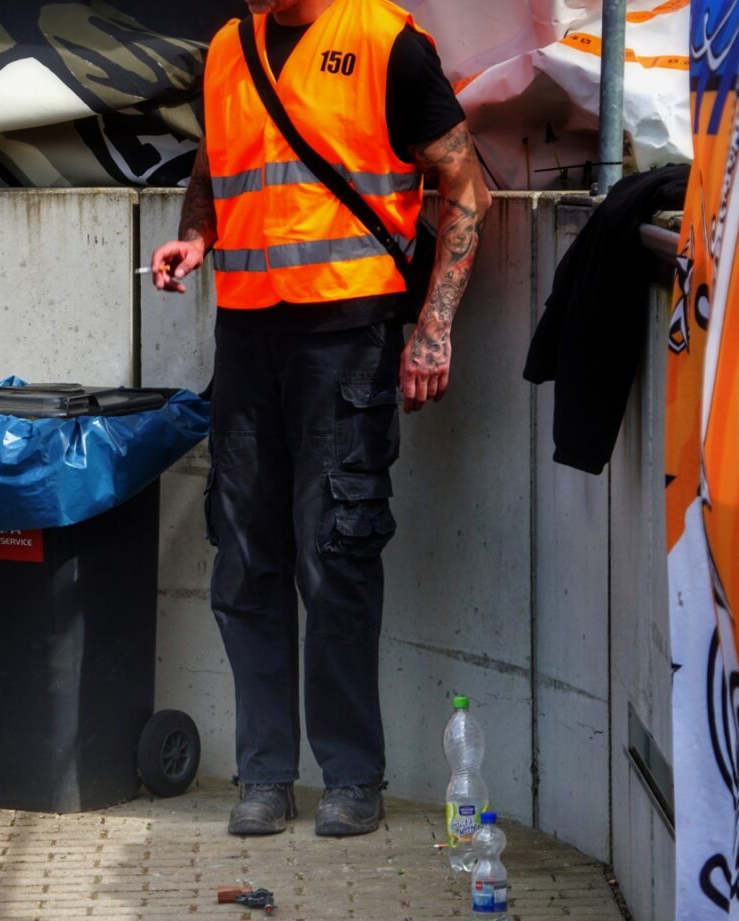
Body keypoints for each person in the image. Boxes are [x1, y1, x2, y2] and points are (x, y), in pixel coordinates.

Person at [149, 0, 490, 836]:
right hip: (248, 337)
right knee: (244, 556)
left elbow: (467, 188)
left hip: (348, 341)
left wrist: (432, 327)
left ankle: (352, 777)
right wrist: (196, 236)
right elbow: (212, 168)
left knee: (335, 553)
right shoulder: (229, 47)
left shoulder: (388, 45)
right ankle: (264, 775)